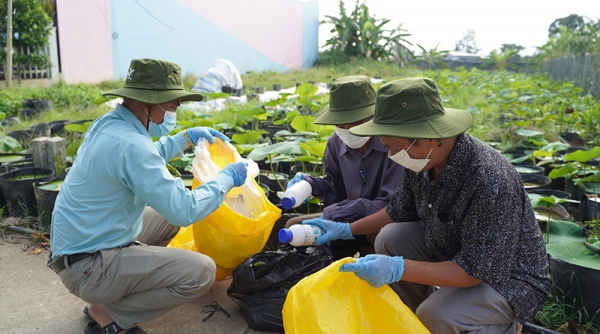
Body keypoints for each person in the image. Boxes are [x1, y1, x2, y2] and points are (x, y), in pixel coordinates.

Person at [304, 77, 551, 333]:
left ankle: (504, 326)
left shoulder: (488, 178)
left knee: (434, 314)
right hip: (454, 250)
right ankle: (420, 323)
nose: (390, 155)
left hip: (506, 277)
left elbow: (472, 271)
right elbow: (395, 211)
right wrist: (345, 229)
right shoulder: (421, 160)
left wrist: (397, 268)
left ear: (427, 138)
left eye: (393, 147)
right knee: (390, 237)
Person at [47, 58, 248, 334]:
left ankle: (115, 290)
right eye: (173, 106)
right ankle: (108, 312)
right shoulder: (131, 144)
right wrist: (226, 179)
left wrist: (185, 137)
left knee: (166, 221)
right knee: (201, 272)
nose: (176, 111)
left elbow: (142, 158)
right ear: (147, 103)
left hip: (78, 248)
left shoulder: (109, 125)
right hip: (88, 267)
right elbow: (184, 209)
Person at [284, 75, 403, 259]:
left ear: (373, 116)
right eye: (341, 123)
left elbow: (392, 206)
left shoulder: (393, 146)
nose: (348, 128)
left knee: (384, 237)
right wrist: (311, 185)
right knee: (293, 226)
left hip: (381, 223)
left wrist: (338, 213)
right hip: (346, 218)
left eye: (356, 122)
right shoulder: (335, 142)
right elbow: (336, 187)